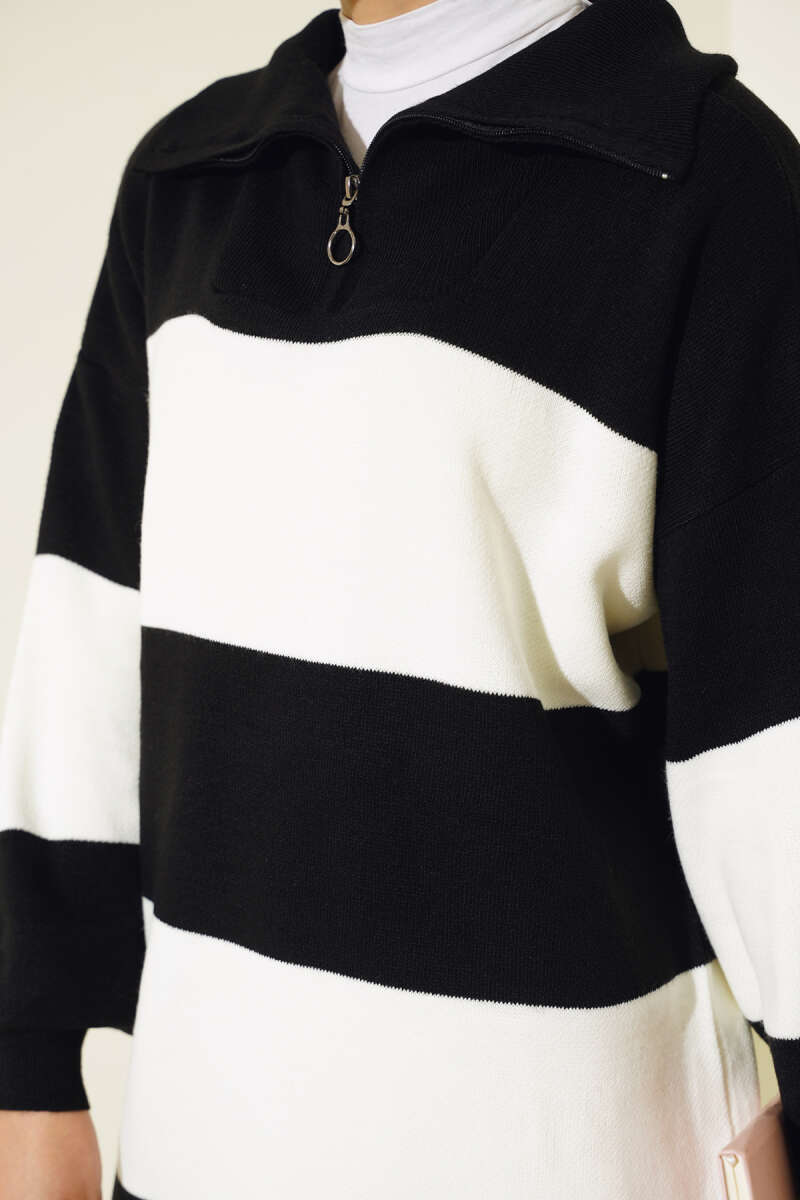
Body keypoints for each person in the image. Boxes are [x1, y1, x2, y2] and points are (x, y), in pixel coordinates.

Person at [1, 0, 799, 1196]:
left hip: (568, 1151)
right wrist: (29, 1066)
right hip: (201, 1144)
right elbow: (88, 625)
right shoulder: (190, 176)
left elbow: (772, 759)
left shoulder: (704, 175)